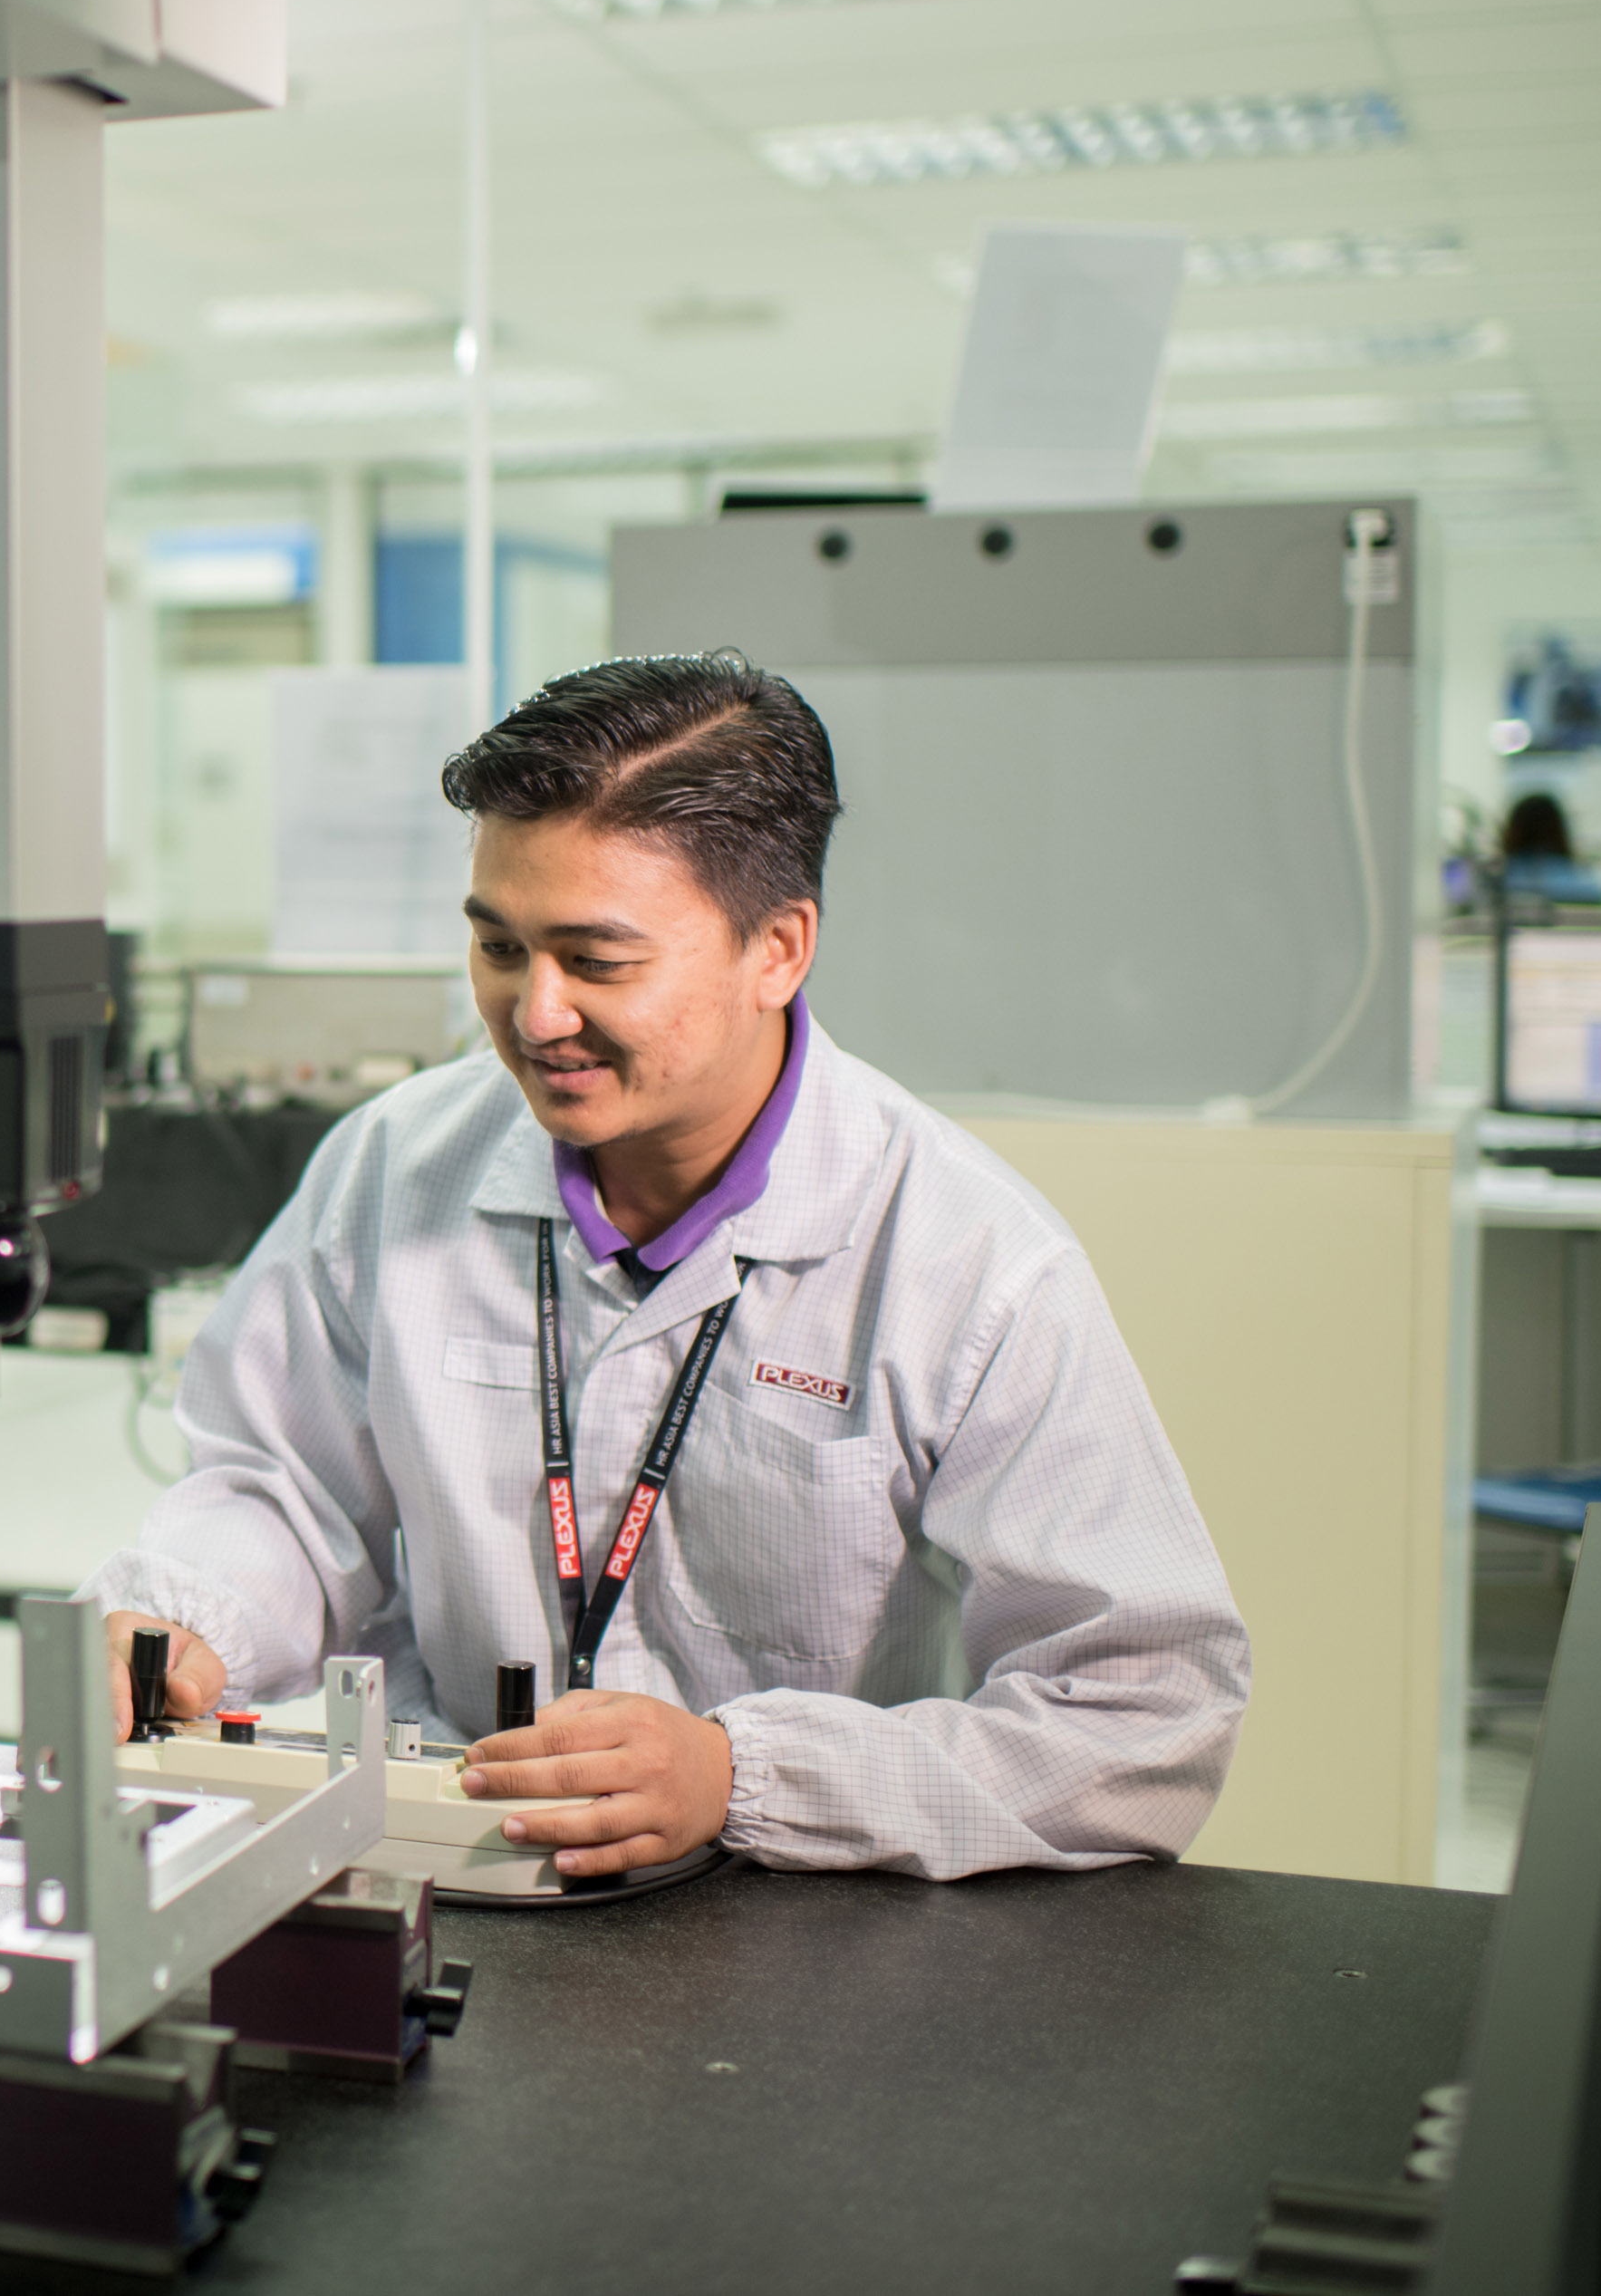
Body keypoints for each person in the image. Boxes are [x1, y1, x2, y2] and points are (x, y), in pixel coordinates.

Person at [93, 653, 1247, 1880]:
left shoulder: (967, 1263)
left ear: (779, 950)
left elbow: (1143, 1715)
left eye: (597, 960)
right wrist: (184, 1622)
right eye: (498, 946)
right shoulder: (397, 1167)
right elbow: (287, 1490)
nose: (534, 1014)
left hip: (806, 1919)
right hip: (452, 1870)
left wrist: (742, 1777)